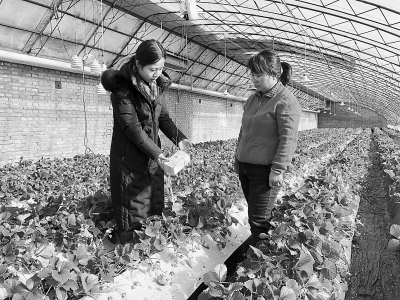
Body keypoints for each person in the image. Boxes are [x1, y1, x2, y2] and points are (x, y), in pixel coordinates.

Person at [101, 39, 192, 244]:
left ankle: (148, 242)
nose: (157, 73)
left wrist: (180, 139)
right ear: (138, 65)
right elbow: (132, 128)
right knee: (131, 203)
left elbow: (164, 119)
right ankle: (127, 245)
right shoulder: (122, 90)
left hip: (151, 153)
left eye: (161, 68)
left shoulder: (156, 86)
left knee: (151, 198)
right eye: (152, 69)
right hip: (129, 158)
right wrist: (158, 154)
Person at [234, 50, 302, 247]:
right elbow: (244, 130)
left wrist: (278, 169)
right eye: (252, 75)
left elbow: (288, 138)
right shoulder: (254, 98)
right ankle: (262, 256)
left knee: (259, 222)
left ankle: (261, 263)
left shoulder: (285, 101)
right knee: (256, 216)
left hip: (265, 172)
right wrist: (237, 158)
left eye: (258, 75)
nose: (254, 79)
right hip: (247, 168)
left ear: (274, 74)